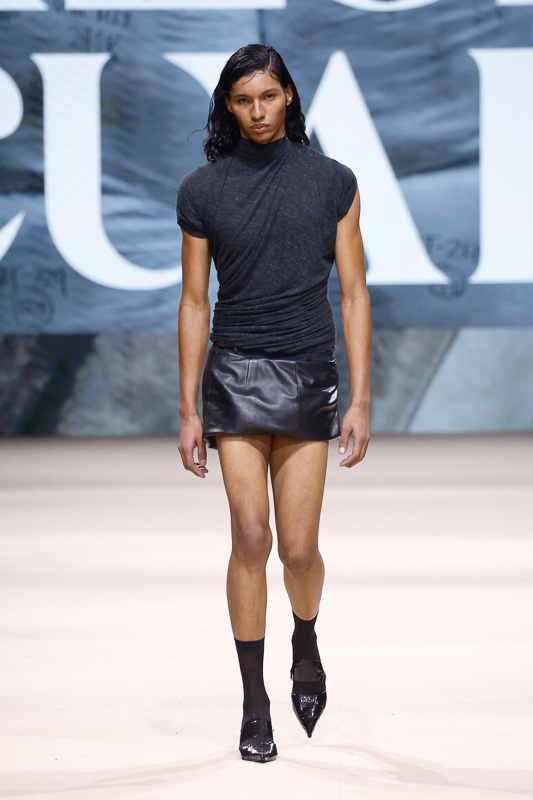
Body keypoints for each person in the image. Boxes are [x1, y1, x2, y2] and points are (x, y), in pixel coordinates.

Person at [176, 43, 371, 763]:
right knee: (251, 537)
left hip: (307, 373)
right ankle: (255, 703)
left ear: (288, 95)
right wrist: (188, 409)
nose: (256, 111)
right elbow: (193, 301)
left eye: (267, 96)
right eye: (242, 100)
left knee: (297, 548)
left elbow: (354, 293)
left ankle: (305, 640)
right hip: (234, 373)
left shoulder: (333, 182)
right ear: (227, 107)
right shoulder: (202, 190)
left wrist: (360, 399)